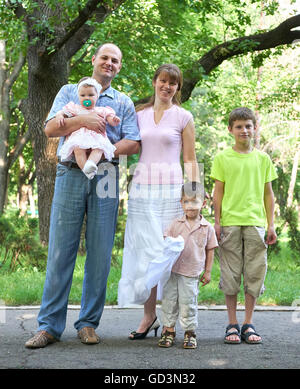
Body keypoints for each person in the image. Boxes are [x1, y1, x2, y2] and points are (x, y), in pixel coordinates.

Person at [25, 43, 140, 348]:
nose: (110, 63)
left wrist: (103, 152)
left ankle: (88, 324)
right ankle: (49, 326)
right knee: (61, 250)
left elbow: (133, 142)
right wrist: (83, 123)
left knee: (100, 254)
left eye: (116, 60)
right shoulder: (68, 92)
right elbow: (50, 128)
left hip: (107, 175)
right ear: (93, 59)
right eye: (105, 57)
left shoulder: (123, 102)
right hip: (70, 172)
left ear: (119, 66)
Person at [117, 63, 199, 340]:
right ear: (154, 82)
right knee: (145, 253)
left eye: (173, 83)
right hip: (142, 190)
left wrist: (194, 192)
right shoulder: (138, 114)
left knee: (169, 251)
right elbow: (127, 145)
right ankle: (148, 315)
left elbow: (189, 159)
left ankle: (170, 320)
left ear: (178, 88)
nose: (167, 86)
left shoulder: (183, 117)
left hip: (171, 191)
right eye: (163, 81)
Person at [211, 107, 277, 345]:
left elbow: (268, 195)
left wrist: (271, 225)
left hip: (256, 223)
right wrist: (217, 223)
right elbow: (218, 193)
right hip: (229, 223)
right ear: (230, 130)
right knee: (230, 275)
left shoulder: (263, 159)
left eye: (248, 126)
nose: (244, 130)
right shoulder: (222, 158)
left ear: (255, 128)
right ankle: (232, 323)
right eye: (238, 126)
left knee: (254, 273)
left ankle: (248, 323)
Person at [158, 182, 218, 349]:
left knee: (188, 302)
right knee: (169, 301)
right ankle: (168, 330)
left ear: (203, 203)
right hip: (173, 271)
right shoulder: (176, 224)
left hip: (191, 273)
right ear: (181, 203)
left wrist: (208, 272)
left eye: (195, 202)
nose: (190, 206)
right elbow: (166, 241)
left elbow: (211, 250)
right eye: (186, 202)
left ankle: (190, 332)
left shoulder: (207, 227)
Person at [56, 76, 120, 179]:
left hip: (96, 137)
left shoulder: (101, 110)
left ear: (97, 96)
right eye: (83, 95)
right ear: (78, 96)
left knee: (99, 149)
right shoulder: (76, 108)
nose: (87, 98)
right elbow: (62, 112)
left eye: (91, 95)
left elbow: (110, 118)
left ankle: (90, 163)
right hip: (79, 137)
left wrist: (114, 120)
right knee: (78, 149)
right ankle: (86, 170)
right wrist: (60, 116)